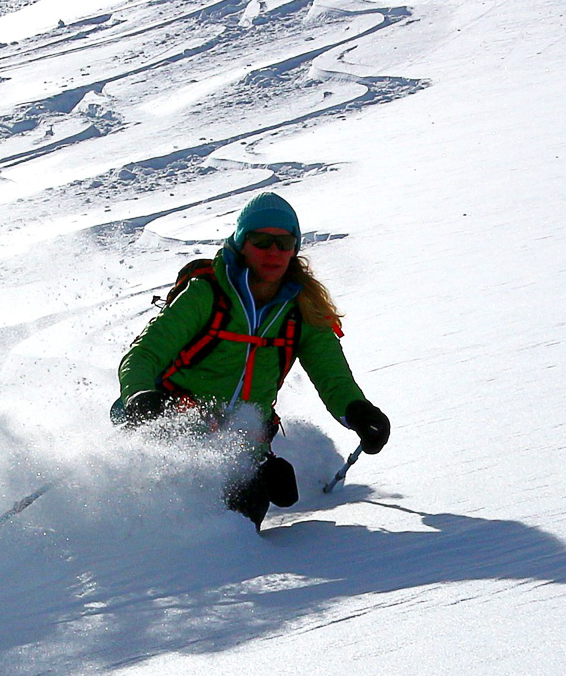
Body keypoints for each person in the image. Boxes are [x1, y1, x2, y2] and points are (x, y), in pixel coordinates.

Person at [111, 192, 391, 525]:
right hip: (171, 427)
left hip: (240, 449)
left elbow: (333, 377)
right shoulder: (205, 295)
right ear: (242, 243)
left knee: (251, 510)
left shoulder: (302, 312)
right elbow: (143, 355)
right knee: (176, 514)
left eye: (284, 243)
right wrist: (141, 396)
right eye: (261, 241)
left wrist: (358, 413)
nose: (274, 251)